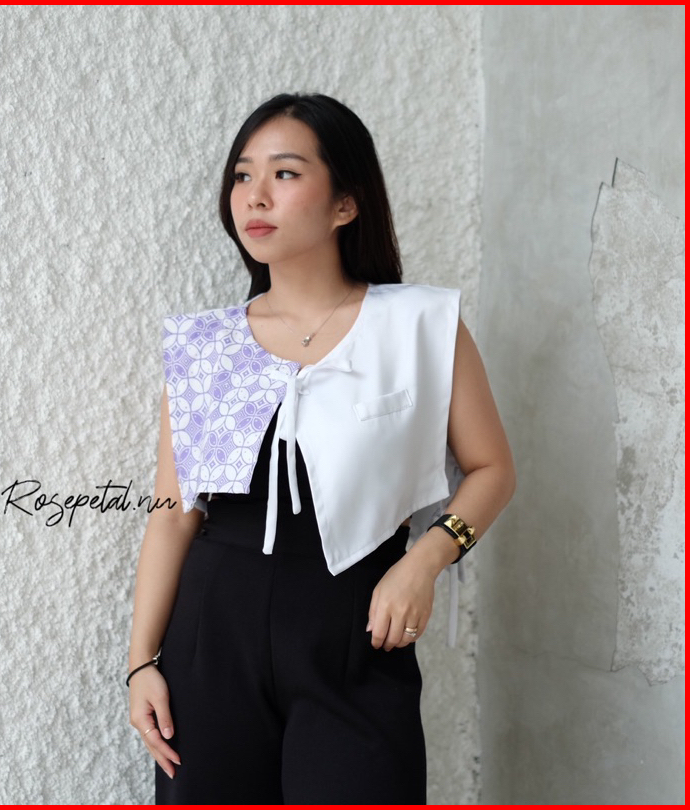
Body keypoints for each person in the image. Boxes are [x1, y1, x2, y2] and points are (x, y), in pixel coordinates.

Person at [126, 92, 515, 805]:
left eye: (285, 173)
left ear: (346, 203)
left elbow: (492, 469)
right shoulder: (207, 346)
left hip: (357, 627)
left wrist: (425, 559)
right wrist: (140, 662)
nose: (255, 195)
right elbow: (174, 513)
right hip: (213, 634)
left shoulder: (420, 324)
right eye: (242, 175)